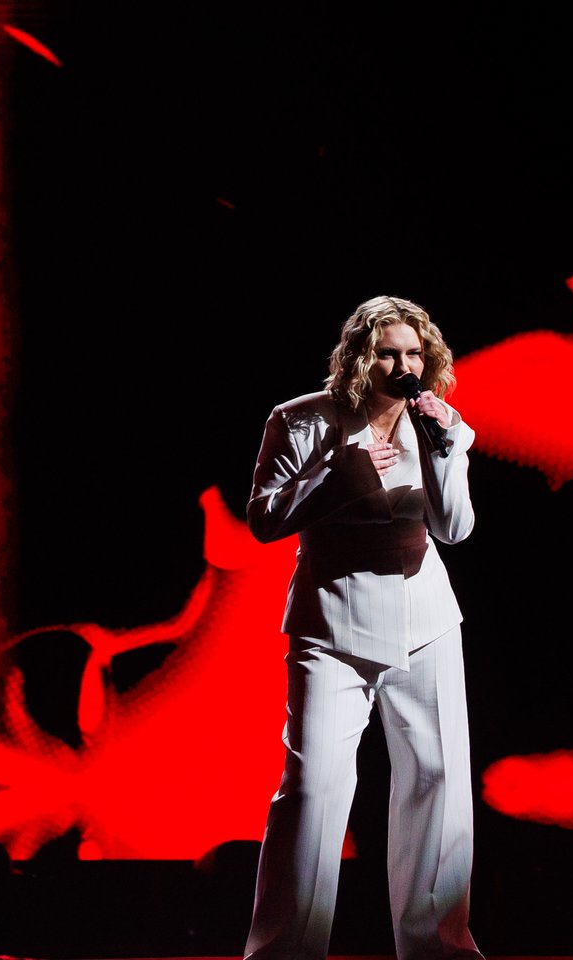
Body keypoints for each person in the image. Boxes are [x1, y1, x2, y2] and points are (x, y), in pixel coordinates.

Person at [243, 295, 483, 960]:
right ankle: (284, 952)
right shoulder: (300, 419)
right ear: (357, 357)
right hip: (333, 619)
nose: (404, 367)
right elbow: (263, 519)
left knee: (438, 783)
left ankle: (439, 948)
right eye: (388, 353)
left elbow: (455, 528)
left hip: (426, 620)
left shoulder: (439, 423)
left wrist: (445, 449)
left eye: (414, 354)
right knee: (314, 788)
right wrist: (336, 478)